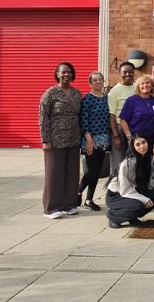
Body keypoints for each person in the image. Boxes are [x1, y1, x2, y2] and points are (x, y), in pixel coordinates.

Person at [39, 62, 82, 219]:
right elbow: (43, 117)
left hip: (74, 138)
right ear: (57, 74)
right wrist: (45, 140)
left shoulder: (77, 93)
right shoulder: (50, 93)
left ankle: (69, 205)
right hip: (55, 140)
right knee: (54, 174)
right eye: (63, 72)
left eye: (69, 72)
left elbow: (80, 115)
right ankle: (51, 208)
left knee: (72, 173)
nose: (66, 75)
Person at [106, 136, 154, 228]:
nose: (142, 146)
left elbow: (151, 181)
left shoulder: (149, 158)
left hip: (133, 192)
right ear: (133, 147)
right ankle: (113, 216)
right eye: (138, 144)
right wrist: (144, 199)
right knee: (139, 205)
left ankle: (132, 217)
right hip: (117, 195)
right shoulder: (127, 163)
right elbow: (125, 189)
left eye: (144, 142)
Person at [78, 71, 111, 212]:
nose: (98, 82)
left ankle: (89, 200)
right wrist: (89, 139)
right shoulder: (87, 98)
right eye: (95, 80)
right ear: (90, 83)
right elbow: (83, 120)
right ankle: (78, 191)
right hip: (91, 139)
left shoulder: (106, 97)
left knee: (97, 172)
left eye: (100, 80)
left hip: (104, 140)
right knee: (92, 171)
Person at [119, 75, 154, 152]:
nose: (145, 85)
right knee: (134, 159)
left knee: (148, 158)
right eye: (142, 84)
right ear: (138, 87)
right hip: (135, 137)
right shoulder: (131, 100)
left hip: (150, 137)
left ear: (152, 85)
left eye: (147, 83)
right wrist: (129, 136)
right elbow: (123, 120)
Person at [108, 62, 136, 173]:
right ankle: (115, 183)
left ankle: (131, 183)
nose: (128, 74)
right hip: (119, 128)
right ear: (120, 73)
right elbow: (112, 115)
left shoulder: (138, 88)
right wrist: (116, 137)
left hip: (134, 128)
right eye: (125, 72)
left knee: (133, 160)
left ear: (134, 73)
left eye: (130, 72)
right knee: (118, 162)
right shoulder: (114, 91)